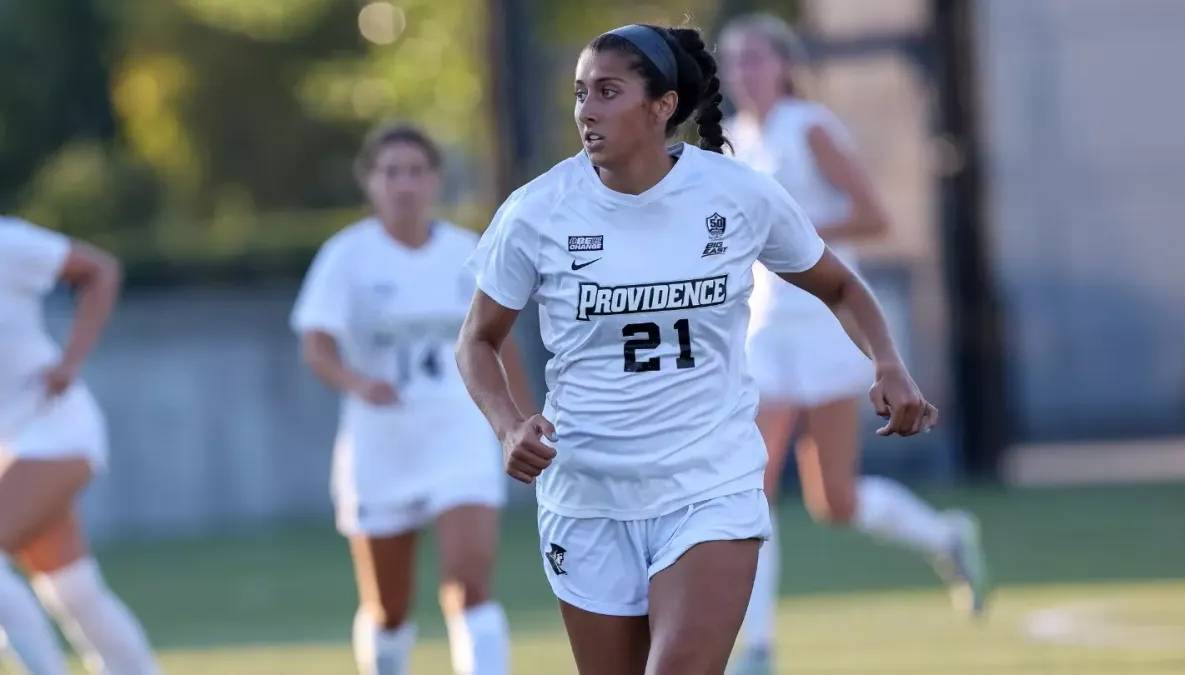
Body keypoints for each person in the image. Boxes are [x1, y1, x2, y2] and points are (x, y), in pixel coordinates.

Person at [456, 23, 938, 675]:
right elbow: (478, 341)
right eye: (580, 93)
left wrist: (888, 362)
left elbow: (842, 286)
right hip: (587, 496)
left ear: (662, 106)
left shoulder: (737, 194)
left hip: (708, 485)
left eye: (607, 91)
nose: (586, 111)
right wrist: (509, 423)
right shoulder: (538, 211)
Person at [718, 13, 989, 673]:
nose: (746, 72)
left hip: (826, 325)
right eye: (736, 61)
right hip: (766, 330)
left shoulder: (809, 126)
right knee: (747, 485)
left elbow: (872, 214)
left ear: (784, 64)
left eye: (758, 58)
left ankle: (946, 534)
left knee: (832, 500)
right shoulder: (731, 140)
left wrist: (797, 229)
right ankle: (757, 645)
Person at [291, 122, 530, 675]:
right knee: (389, 608)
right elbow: (316, 345)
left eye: (416, 171)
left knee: (470, 587)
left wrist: (519, 423)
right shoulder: (345, 257)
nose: (405, 185)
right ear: (370, 182)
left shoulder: (467, 251)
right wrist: (358, 383)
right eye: (391, 172)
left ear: (436, 180)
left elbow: (500, 344)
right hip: (381, 444)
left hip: (459, 436)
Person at [0, 217, 160, 675]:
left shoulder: (9, 244)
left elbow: (100, 270)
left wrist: (70, 362)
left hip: (54, 428)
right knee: (72, 588)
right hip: (11, 444)